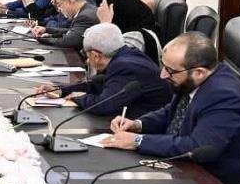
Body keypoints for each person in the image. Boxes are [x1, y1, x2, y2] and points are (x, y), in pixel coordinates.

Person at [104, 32, 240, 184]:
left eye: (170, 70)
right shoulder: (192, 81)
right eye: (164, 66)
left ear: (199, 72)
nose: (162, 75)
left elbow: (198, 147)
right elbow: (172, 112)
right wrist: (138, 124)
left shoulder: (225, 97)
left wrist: (138, 141)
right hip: (193, 173)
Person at [35, 23, 171, 118]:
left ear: (95, 55)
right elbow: (97, 84)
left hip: (151, 126)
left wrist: (78, 97)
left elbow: (104, 105)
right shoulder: (127, 54)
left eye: (86, 54)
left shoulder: (124, 66)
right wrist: (60, 90)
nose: (87, 60)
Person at [97, 0, 162, 66]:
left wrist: (105, 25)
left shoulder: (136, 36)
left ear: (117, 12)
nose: (98, 10)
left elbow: (109, 63)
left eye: (105, 10)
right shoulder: (130, 30)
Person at [31, 0, 98, 50]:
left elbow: (69, 41)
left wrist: (41, 39)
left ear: (69, 1)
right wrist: (47, 30)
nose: (59, 9)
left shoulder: (85, 17)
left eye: (59, 4)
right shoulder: (86, 9)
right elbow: (72, 32)